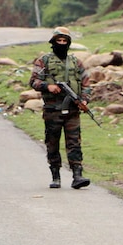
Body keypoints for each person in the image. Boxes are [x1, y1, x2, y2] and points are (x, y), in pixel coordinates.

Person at [29, 27, 92, 189]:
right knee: (52, 143)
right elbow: (34, 81)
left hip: (72, 110)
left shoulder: (76, 62)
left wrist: (84, 100)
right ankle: (55, 175)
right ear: (53, 42)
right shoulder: (44, 61)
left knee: (74, 143)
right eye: (59, 40)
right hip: (52, 110)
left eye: (65, 41)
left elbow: (86, 84)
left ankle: (77, 175)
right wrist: (47, 86)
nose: (62, 43)